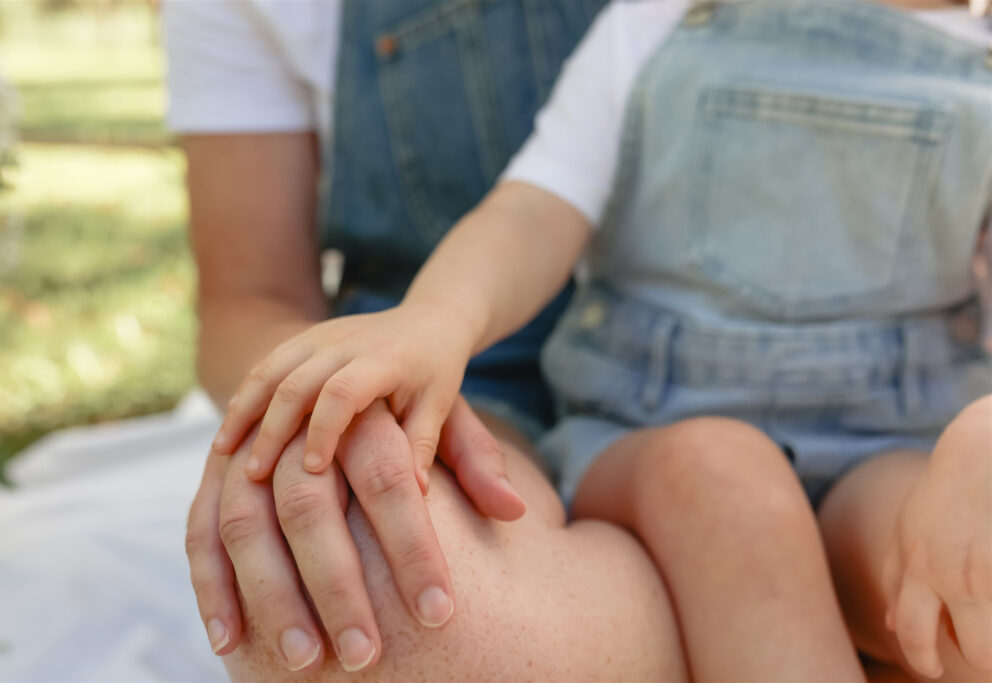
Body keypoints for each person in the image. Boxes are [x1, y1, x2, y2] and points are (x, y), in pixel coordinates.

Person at [214, 0, 992, 679]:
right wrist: (436, 320)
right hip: (658, 431)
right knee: (724, 478)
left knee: (964, 528)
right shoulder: (653, 24)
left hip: (886, 442)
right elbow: (533, 212)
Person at [164, 0, 687, 677]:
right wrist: (331, 399)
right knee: (366, 580)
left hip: (700, 370)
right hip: (453, 378)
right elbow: (250, 298)